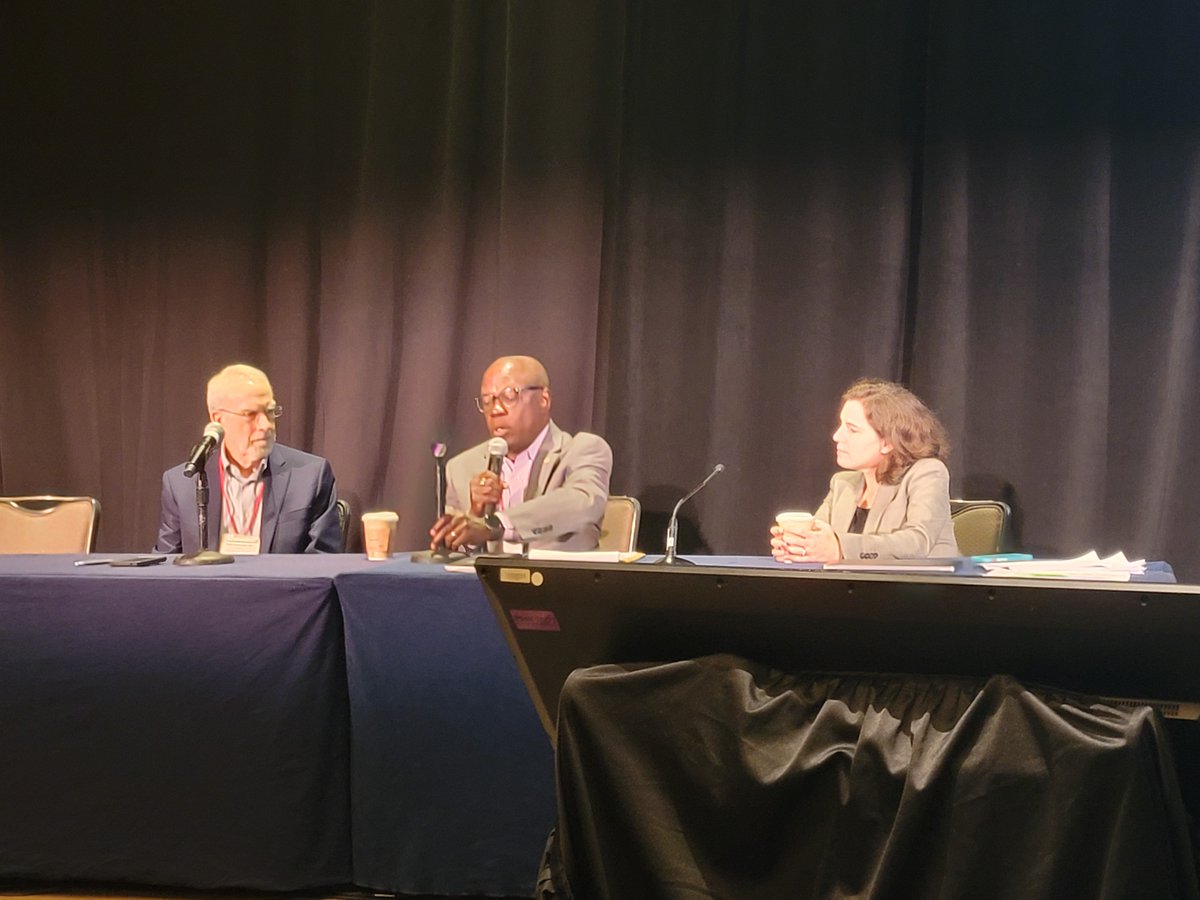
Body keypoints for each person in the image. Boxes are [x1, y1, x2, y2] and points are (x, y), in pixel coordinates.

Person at [430, 355, 612, 552]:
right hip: (482, 582)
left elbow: (582, 502)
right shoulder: (462, 467)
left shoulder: (583, 450)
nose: (495, 410)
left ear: (544, 399)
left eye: (509, 396)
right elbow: (451, 557)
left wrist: (495, 524)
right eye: (487, 401)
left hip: (556, 580)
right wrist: (474, 516)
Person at [155, 364, 341, 555]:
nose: (265, 425)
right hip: (209, 584)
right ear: (218, 419)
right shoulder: (182, 483)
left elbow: (322, 565)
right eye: (250, 414)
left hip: (278, 584)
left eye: (269, 412)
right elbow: (164, 566)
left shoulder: (311, 476)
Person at [772, 378, 958, 563]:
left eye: (852, 430)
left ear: (887, 442)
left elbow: (917, 542)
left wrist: (840, 547)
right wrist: (798, 545)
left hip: (922, 589)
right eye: (841, 425)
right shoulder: (842, 483)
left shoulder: (928, 472)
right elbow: (820, 539)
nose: (837, 436)